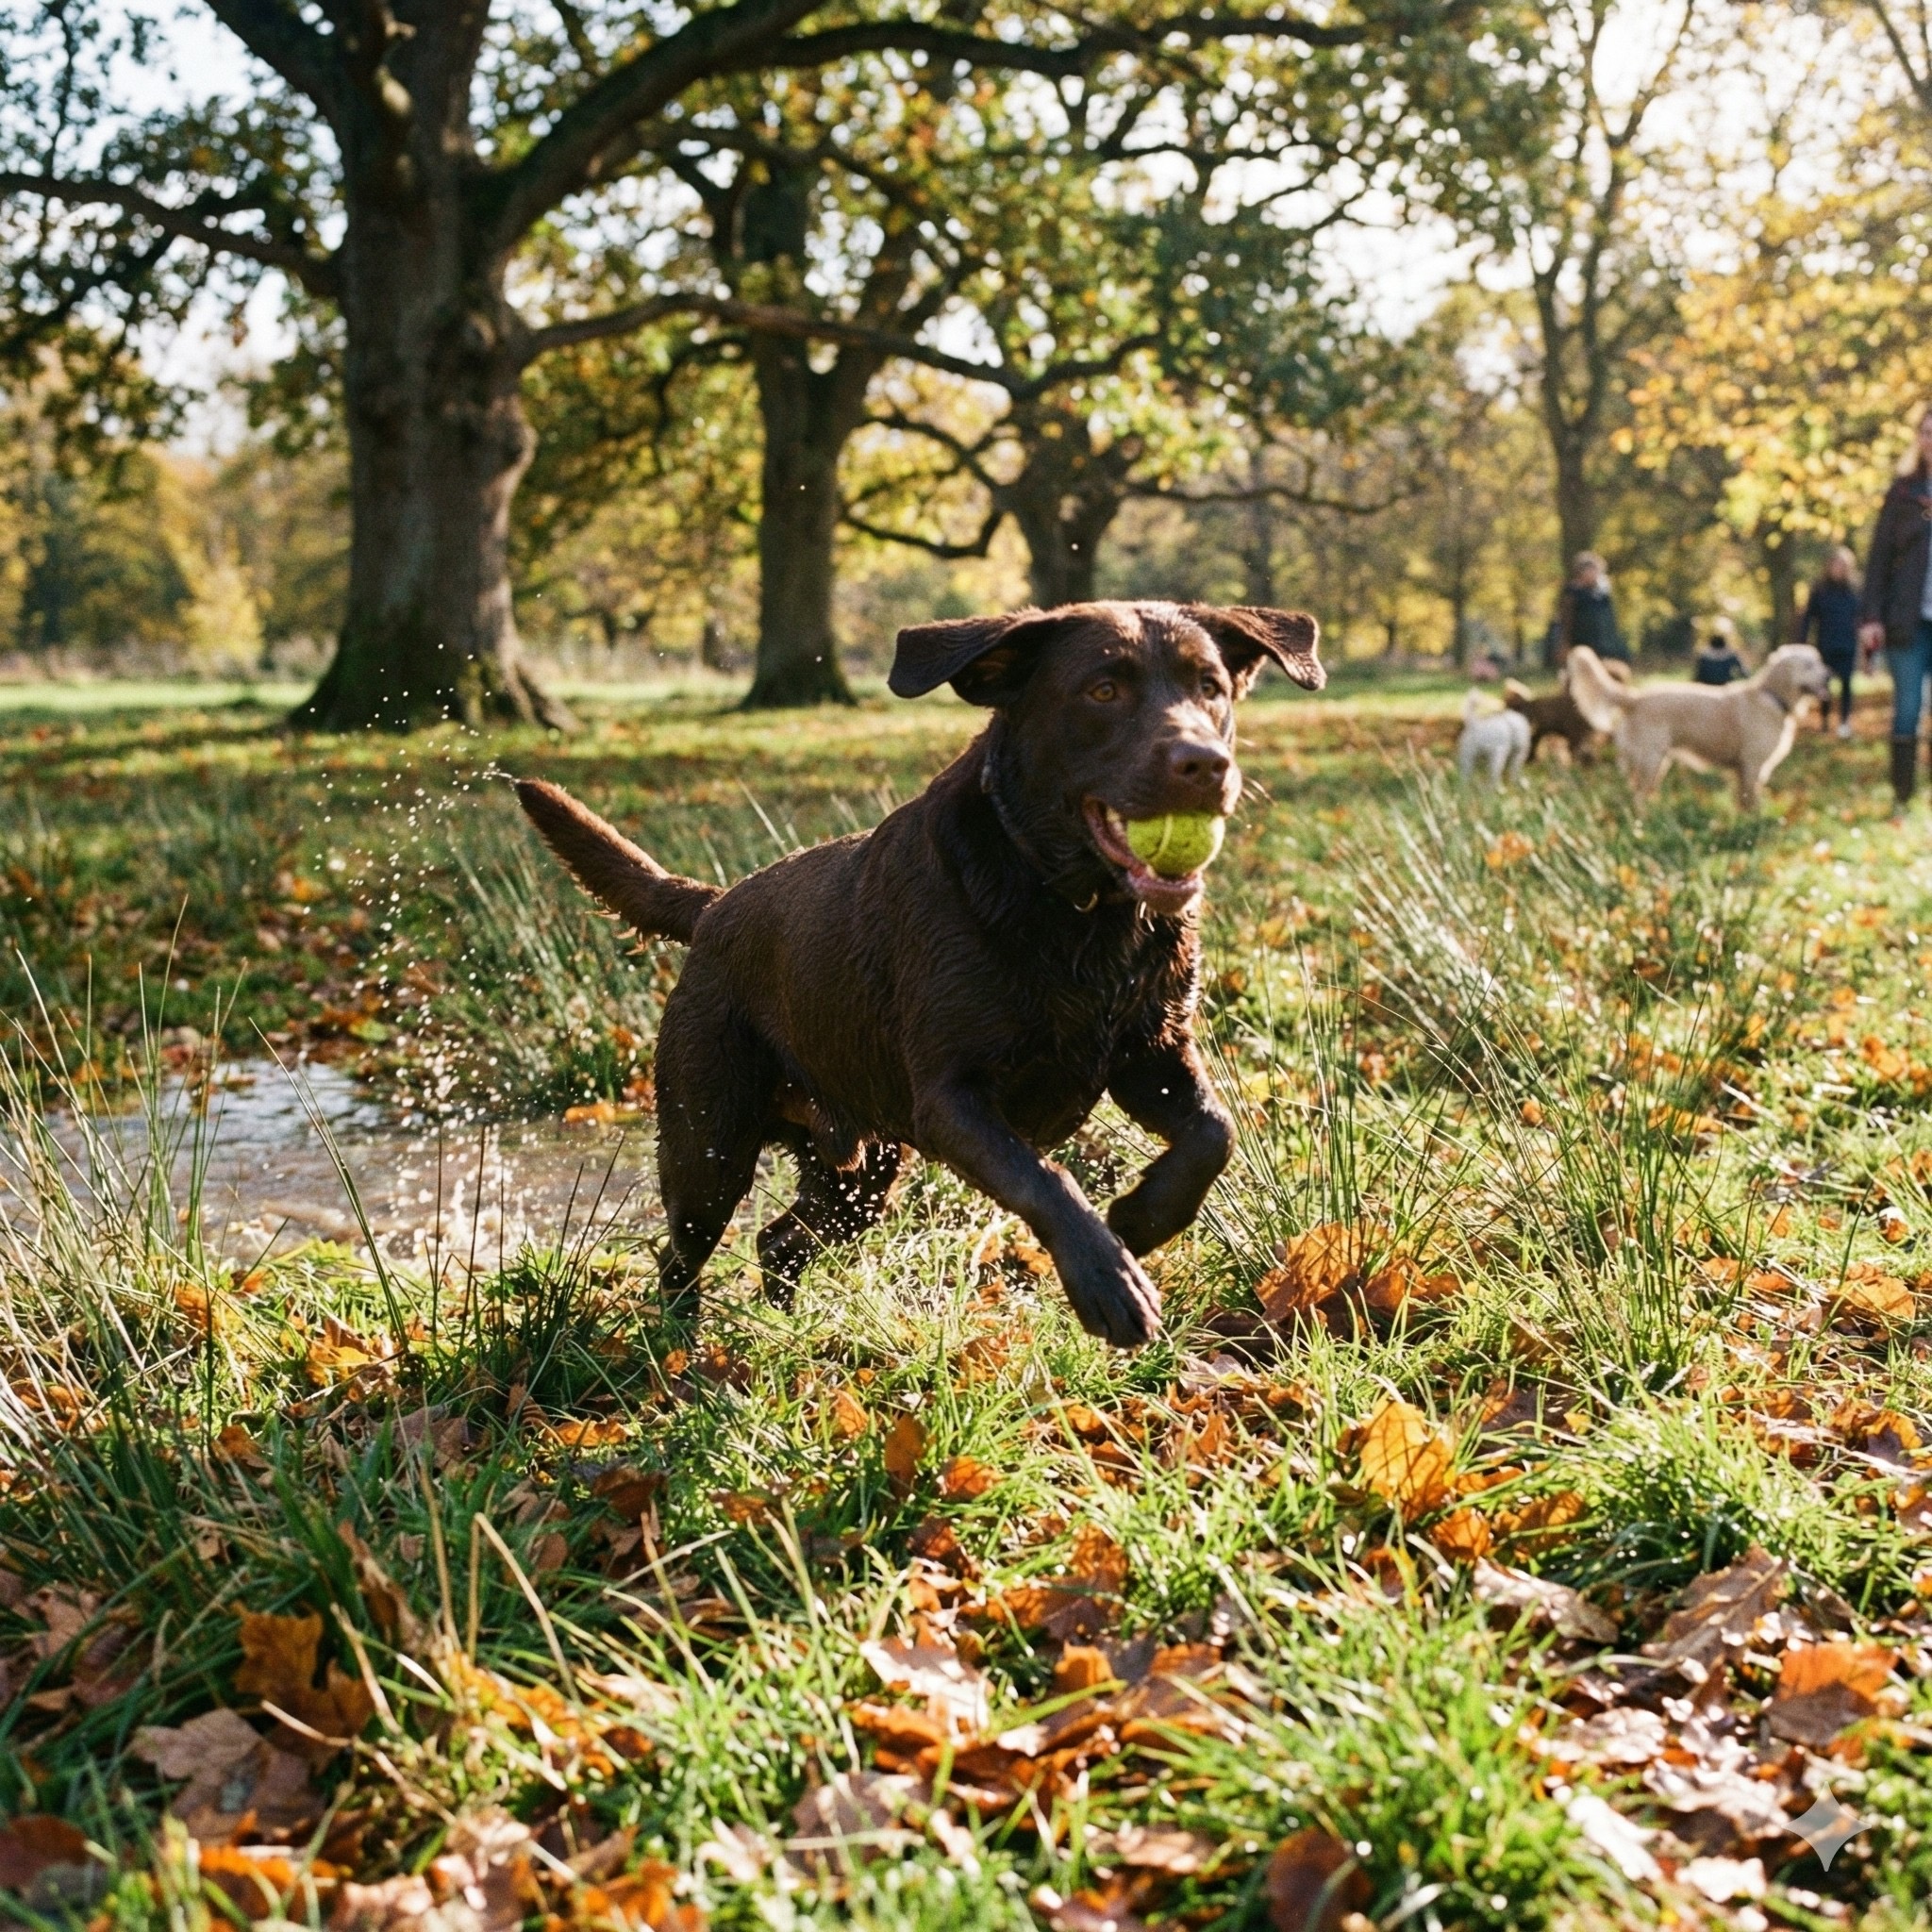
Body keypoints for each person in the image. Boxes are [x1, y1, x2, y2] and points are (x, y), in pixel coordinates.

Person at [1859, 407, 1932, 810]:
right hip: (1908, 622)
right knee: (1907, 709)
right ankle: (1902, 797)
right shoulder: (1903, 493)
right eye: (1925, 432)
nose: (1931, 440)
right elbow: (1878, 561)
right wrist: (1870, 617)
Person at [1799, 545, 1861, 740]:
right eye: (1835, 564)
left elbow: (1861, 618)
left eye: (1842, 565)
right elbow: (1808, 617)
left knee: (1846, 685)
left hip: (1847, 645)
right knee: (1823, 686)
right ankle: (1824, 722)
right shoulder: (1819, 590)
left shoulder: (1855, 590)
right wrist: (1803, 641)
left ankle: (1844, 723)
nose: (1838, 568)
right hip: (1825, 644)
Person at [1557, 552, 1628, 664]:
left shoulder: (1602, 594)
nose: (1595, 574)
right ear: (1581, 572)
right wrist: (1565, 643)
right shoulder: (1572, 592)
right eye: (1591, 570)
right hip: (1580, 642)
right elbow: (1566, 619)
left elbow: (1610, 620)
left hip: (1602, 644)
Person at [1691, 616, 1748, 686]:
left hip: (1707, 688)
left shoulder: (1703, 655)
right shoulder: (1731, 654)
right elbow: (1744, 673)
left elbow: (1697, 675)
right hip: (1725, 687)